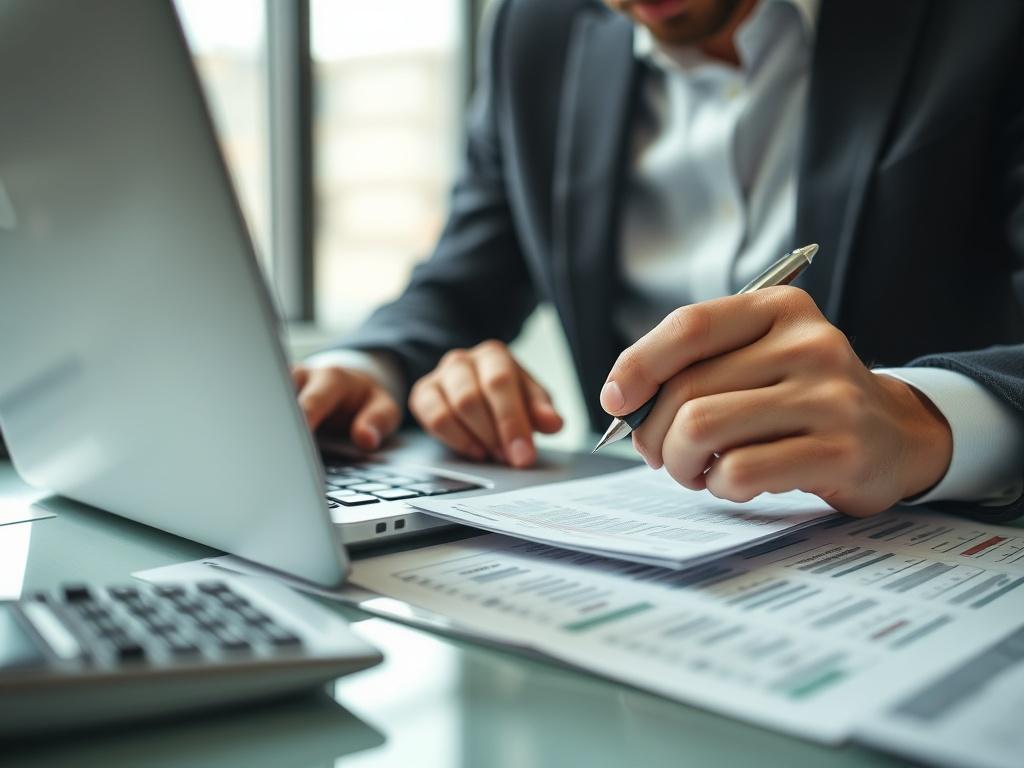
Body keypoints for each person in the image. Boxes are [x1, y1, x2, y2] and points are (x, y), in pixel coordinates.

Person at [293, 0, 1024, 520]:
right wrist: (364, 368)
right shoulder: (533, 28)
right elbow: (460, 284)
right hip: (631, 552)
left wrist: (921, 423)